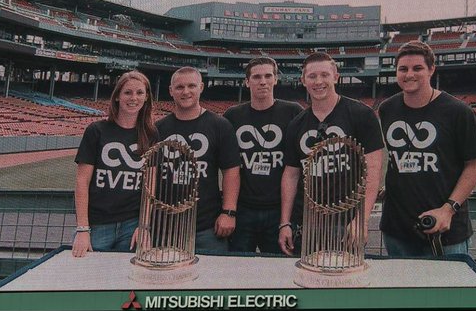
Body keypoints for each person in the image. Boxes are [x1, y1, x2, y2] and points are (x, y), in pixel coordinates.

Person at [378, 41, 476, 258]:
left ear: (431, 70)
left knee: (448, 293)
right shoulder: (387, 109)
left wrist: (448, 209)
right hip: (397, 230)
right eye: (403, 69)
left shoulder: (459, 112)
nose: (409, 74)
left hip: (446, 230)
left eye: (417, 68)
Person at [279, 52, 384, 256]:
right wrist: (284, 223)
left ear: (335, 77)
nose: (319, 81)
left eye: (325, 75)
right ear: (303, 80)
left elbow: (373, 169)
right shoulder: (296, 124)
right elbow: (291, 175)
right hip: (307, 222)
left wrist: (361, 219)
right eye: (312, 76)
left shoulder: (361, 115)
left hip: (347, 222)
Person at [71, 70, 157, 256]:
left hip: (132, 225)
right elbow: (81, 182)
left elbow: (150, 187)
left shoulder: (151, 135)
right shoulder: (97, 130)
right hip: (97, 225)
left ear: (146, 97)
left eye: (139, 93)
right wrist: (83, 229)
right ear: (117, 96)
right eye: (127, 92)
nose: (133, 98)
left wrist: (144, 225)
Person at [155, 67, 240, 254]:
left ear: (201, 87)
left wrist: (228, 212)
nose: (186, 92)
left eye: (191, 86)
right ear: (171, 91)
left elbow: (231, 172)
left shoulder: (220, 125)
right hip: (166, 226)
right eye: (179, 87)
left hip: (206, 227)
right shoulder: (159, 128)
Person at [223, 57, 303, 254]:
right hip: (243, 209)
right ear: (247, 81)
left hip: (280, 210)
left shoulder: (293, 112)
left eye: (268, 76)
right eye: (257, 77)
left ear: (276, 79)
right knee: (238, 270)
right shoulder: (233, 116)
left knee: (278, 272)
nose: (263, 81)